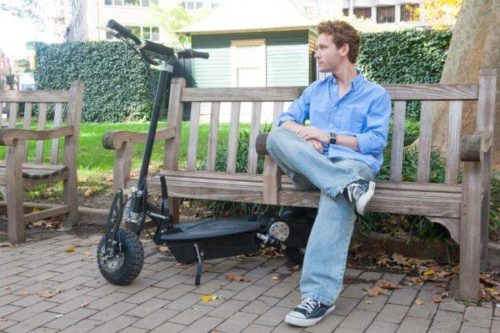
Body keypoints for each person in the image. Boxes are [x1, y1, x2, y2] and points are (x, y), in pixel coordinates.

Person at [266, 20, 391, 327]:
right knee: (275, 138)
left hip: (353, 165)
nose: (316, 54)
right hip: (315, 167)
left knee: (335, 197)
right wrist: (307, 136)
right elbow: (284, 121)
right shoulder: (315, 90)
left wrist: (328, 137)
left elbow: (375, 142)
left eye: (322, 47)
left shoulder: (374, 95)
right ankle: (349, 188)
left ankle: (318, 296)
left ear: (343, 49)